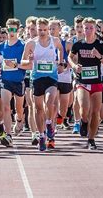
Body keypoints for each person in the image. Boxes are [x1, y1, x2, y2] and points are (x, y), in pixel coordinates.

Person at [68, 18, 103, 150]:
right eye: (85, 28)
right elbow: (69, 57)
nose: (87, 30)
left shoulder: (101, 44)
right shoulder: (78, 44)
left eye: (90, 28)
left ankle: (91, 139)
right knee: (84, 110)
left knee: (95, 113)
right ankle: (83, 121)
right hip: (83, 82)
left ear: (95, 29)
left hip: (97, 82)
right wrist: (75, 66)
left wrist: (99, 56)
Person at [23, 18, 64, 151]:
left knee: (50, 101)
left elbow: (61, 49)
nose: (42, 32)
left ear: (48, 29)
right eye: (39, 30)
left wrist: (61, 62)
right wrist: (28, 59)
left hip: (51, 77)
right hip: (37, 78)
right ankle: (41, 136)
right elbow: (23, 61)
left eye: (44, 30)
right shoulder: (31, 43)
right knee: (38, 109)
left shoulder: (55, 40)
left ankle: (48, 124)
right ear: (36, 29)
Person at [0, 18, 28, 147]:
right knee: (6, 107)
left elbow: (29, 65)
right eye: (9, 29)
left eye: (14, 29)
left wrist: (15, 64)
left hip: (19, 80)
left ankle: (19, 119)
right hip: (5, 80)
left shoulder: (23, 46)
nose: (11, 32)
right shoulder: (2, 45)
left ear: (18, 30)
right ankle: (8, 135)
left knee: (19, 108)